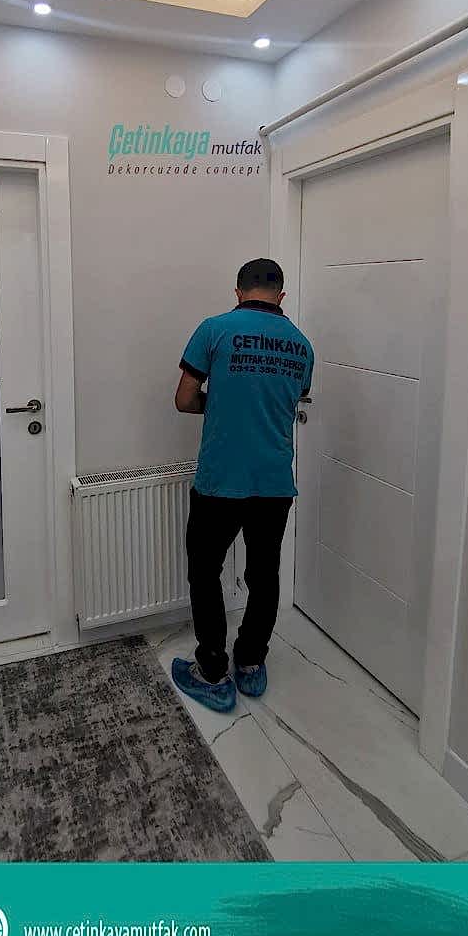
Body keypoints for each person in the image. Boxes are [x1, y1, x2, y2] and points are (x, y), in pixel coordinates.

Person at [171, 257, 314, 713]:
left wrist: (218, 404)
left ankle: (213, 673)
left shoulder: (214, 330)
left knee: (205, 572)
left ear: (238, 292)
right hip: (275, 483)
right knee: (264, 575)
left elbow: (184, 399)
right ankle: (251, 663)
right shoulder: (302, 345)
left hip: (221, 481)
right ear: (281, 295)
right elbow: (291, 400)